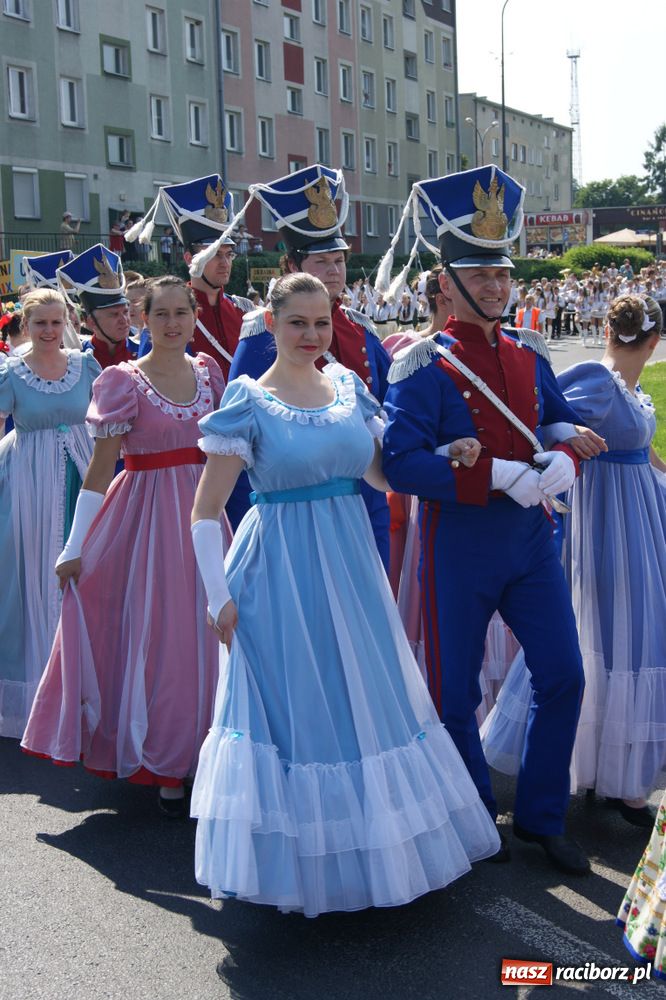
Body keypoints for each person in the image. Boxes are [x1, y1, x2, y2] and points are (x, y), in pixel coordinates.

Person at [188, 271, 500, 915]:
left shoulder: (350, 389)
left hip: (350, 566)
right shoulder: (246, 401)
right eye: (297, 322)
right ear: (270, 324)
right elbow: (204, 510)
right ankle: (301, 869)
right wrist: (216, 596)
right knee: (300, 708)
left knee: (364, 696)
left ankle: (367, 855)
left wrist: (447, 452)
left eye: (322, 322)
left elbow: (382, 474)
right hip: (277, 570)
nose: (311, 334)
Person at [381, 165, 605, 875]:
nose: (496, 286)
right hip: (462, 544)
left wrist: (567, 451)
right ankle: (476, 813)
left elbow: (555, 415)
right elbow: (401, 462)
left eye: (502, 272)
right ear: (445, 280)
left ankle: (542, 817)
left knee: (564, 675)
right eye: (479, 274)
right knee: (454, 693)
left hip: (531, 543)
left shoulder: (526, 352)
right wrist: (497, 474)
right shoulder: (422, 365)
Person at [22, 277, 231, 816]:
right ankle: (167, 760)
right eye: (161, 314)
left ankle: (213, 751)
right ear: (142, 319)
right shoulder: (122, 381)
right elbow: (98, 470)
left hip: (204, 514)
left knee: (213, 633)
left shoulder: (209, 372)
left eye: (182, 312)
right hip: (145, 520)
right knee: (163, 638)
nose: (173, 323)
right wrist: (73, 546)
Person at [484, 295, 666, 828]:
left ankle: (619, 775)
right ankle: (585, 769)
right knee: (601, 630)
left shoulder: (629, 392)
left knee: (629, 636)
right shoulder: (597, 380)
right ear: (653, 341)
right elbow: (541, 426)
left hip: (637, 523)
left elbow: (643, 452)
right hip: (604, 527)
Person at [224, 164, 392, 568]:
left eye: (339, 259)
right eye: (322, 262)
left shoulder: (359, 328)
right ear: (293, 268)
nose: (335, 271)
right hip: (300, 501)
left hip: (367, 494)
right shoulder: (264, 332)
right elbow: (243, 435)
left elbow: (391, 404)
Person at [0, 289, 100, 738]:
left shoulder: (85, 365)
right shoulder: (12, 373)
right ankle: (43, 685)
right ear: (26, 324)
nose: (48, 330)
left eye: (56, 322)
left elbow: (106, 421)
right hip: (30, 483)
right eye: (40, 322)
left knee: (88, 570)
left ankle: (84, 682)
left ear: (67, 323)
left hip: (82, 470)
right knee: (36, 574)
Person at [125, 175, 253, 383]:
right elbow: (149, 385)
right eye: (214, 254)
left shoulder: (243, 311)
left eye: (228, 254)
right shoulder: (169, 315)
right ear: (188, 258)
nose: (225, 263)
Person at [58, 244, 136, 369]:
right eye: (114, 314)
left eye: (125, 312)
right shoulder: (76, 359)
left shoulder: (143, 351)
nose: (124, 320)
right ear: (91, 322)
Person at [23, 251, 81, 350]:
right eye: (41, 322)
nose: (69, 317)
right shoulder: (19, 359)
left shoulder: (86, 354)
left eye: (71, 310)